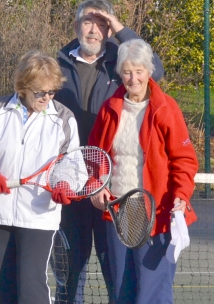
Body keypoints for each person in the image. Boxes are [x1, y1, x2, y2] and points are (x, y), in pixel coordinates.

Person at [53, 0, 165, 301]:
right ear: (77, 27)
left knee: (117, 274)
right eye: (88, 22)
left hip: (111, 189)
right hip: (72, 183)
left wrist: (119, 28)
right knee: (69, 273)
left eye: (101, 23)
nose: (94, 29)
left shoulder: (122, 60)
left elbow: (157, 71)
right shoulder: (57, 63)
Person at [88, 39, 198, 303]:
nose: (133, 78)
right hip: (118, 210)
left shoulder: (165, 108)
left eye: (138, 71)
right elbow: (94, 157)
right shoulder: (109, 109)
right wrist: (96, 186)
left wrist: (181, 195)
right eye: (127, 71)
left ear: (149, 72)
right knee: (121, 291)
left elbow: (184, 160)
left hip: (156, 211)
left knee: (153, 293)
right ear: (120, 74)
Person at [0, 50, 78, 303]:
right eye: (39, 92)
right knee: (5, 288)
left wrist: (64, 182)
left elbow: (72, 161)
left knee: (31, 289)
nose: (46, 98)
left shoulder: (63, 118)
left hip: (39, 216)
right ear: (23, 86)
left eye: (51, 92)